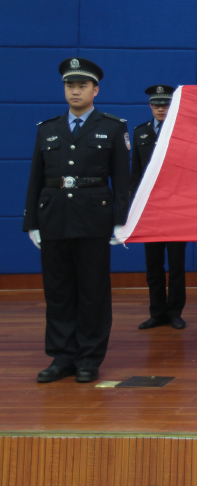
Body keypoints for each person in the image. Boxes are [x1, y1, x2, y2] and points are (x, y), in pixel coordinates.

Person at [23, 58, 130, 383]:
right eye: (70, 85)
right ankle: (62, 357)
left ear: (95, 90)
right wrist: (32, 222)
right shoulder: (47, 129)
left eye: (82, 86)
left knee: (92, 291)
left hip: (93, 218)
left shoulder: (113, 127)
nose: (75, 91)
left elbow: (121, 179)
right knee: (58, 291)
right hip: (54, 217)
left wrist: (122, 220)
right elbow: (36, 177)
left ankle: (89, 358)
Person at [132, 85, 188, 330]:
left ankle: (175, 312)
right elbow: (135, 174)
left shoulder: (182, 132)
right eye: (156, 104)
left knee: (176, 265)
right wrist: (133, 209)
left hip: (176, 209)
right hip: (150, 211)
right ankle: (157, 312)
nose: (160, 109)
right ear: (150, 106)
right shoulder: (140, 133)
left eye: (165, 104)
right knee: (153, 265)